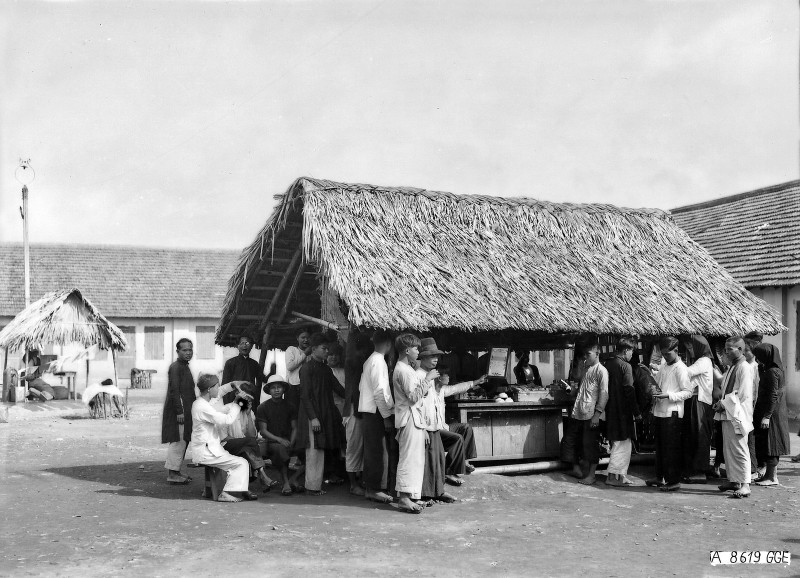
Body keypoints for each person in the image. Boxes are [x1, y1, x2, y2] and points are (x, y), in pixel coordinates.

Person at [189, 373, 257, 503]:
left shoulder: (203, 402)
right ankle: (226, 493)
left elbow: (219, 393)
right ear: (209, 389)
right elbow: (228, 420)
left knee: (241, 462)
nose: (218, 389)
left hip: (210, 449)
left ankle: (227, 491)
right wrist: (237, 402)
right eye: (216, 386)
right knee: (241, 463)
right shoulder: (202, 406)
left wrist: (232, 385)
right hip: (206, 452)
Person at [295, 333, 347, 496]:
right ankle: (312, 487)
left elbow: (338, 388)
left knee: (319, 449)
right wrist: (313, 417)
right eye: (324, 349)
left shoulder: (325, 369)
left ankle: (314, 485)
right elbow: (305, 395)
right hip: (312, 416)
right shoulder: (306, 368)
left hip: (324, 413)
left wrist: (355, 395)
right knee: (313, 450)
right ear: (314, 349)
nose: (327, 352)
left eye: (327, 349)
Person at [646, 336, 693, 492]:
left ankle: (673, 481)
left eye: (668, 354)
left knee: (671, 449)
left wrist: (669, 396)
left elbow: (688, 392)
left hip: (672, 412)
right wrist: (648, 374)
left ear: (676, 351)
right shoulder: (665, 366)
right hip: (660, 411)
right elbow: (658, 383)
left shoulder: (681, 368)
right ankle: (660, 476)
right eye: (664, 354)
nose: (666, 357)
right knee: (659, 447)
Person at [393, 332, 432, 514]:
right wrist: (427, 379)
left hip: (413, 418)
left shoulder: (406, 369)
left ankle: (410, 496)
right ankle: (403, 498)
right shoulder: (403, 370)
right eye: (416, 348)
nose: (418, 351)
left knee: (415, 459)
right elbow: (414, 397)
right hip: (408, 417)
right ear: (407, 350)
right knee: (408, 458)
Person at [560, 343, 608, 486]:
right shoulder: (586, 369)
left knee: (590, 445)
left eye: (589, 354)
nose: (586, 357)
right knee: (570, 441)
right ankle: (576, 469)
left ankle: (591, 476)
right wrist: (570, 390)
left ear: (597, 354)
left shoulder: (602, 371)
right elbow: (581, 391)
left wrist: (597, 414)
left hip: (590, 414)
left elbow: (604, 394)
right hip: (578, 412)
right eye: (585, 354)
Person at [216, 381, 276, 493]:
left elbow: (252, 435)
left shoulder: (249, 412)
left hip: (244, 446)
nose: (247, 401)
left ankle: (245, 489)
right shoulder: (226, 410)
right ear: (237, 395)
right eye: (245, 398)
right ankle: (262, 475)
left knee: (247, 449)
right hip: (225, 446)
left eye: (250, 400)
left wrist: (248, 415)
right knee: (248, 444)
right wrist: (244, 441)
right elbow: (223, 438)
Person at [713, 336, 754, 499]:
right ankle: (734, 480)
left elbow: (742, 394)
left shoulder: (744, 367)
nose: (726, 352)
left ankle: (745, 484)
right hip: (729, 413)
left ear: (740, 350)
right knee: (728, 449)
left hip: (738, 414)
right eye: (726, 348)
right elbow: (725, 389)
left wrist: (723, 403)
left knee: (739, 450)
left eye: (730, 349)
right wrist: (721, 403)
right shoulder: (732, 367)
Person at [358, 329, 396, 504]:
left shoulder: (370, 361)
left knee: (376, 450)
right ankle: (373, 489)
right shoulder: (378, 361)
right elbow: (380, 392)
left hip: (370, 412)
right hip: (375, 413)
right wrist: (387, 416)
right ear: (388, 343)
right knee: (377, 451)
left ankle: (375, 487)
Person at [416, 338, 456, 504]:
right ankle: (426, 494)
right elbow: (417, 403)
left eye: (436, 356)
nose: (435, 359)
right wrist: (423, 428)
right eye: (431, 356)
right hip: (424, 425)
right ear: (423, 358)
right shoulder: (419, 375)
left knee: (438, 458)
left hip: (434, 424)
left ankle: (438, 491)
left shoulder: (432, 376)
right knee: (427, 460)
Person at [434, 369, 486, 485]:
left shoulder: (442, 390)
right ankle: (450, 471)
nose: (449, 378)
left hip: (444, 427)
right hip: (435, 430)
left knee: (466, 428)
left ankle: (464, 461)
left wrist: (476, 381)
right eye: (446, 376)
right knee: (457, 438)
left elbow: (457, 387)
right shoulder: (429, 393)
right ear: (439, 378)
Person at [256, 375, 304, 496]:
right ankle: (286, 482)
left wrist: (291, 442)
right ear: (269, 390)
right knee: (280, 449)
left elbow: (295, 427)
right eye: (273, 388)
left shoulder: (291, 406)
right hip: (272, 442)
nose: (276, 390)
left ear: (283, 389)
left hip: (289, 440)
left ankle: (294, 478)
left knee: (308, 451)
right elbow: (263, 431)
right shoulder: (263, 407)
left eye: (279, 387)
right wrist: (280, 440)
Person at [752, 343, 790, 486]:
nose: (757, 359)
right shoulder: (773, 369)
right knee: (767, 443)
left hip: (772, 414)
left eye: (759, 356)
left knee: (772, 444)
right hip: (771, 411)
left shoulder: (772, 371)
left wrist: (767, 416)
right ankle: (769, 476)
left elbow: (773, 394)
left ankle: (772, 477)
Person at [603, 337, 639, 487]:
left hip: (610, 409)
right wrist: (636, 411)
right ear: (626, 351)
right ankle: (612, 477)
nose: (632, 355)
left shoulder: (608, 364)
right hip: (623, 411)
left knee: (618, 442)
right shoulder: (626, 367)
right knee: (622, 443)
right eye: (631, 351)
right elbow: (629, 391)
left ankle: (621, 475)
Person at [161, 338, 196, 484]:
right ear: (178, 351)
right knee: (178, 441)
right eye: (185, 350)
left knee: (184, 440)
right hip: (178, 411)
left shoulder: (184, 366)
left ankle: (177, 471)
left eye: (190, 349)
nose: (188, 353)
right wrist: (179, 411)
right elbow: (175, 390)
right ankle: (172, 474)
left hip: (186, 410)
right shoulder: (175, 367)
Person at [682, 335, 715, 483]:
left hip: (699, 402)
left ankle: (700, 471)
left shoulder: (703, 361)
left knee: (699, 435)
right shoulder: (704, 361)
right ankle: (696, 468)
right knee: (695, 435)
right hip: (698, 402)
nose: (690, 349)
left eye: (692, 346)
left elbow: (686, 373)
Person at [221, 333, 264, 406]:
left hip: (250, 398)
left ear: (251, 346)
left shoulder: (254, 364)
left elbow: (262, 378)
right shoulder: (230, 363)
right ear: (237, 346)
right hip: (234, 397)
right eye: (242, 343)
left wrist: (271, 372)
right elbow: (225, 384)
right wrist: (227, 403)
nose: (244, 345)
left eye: (247, 343)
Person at [285, 330, 311, 411]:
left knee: (305, 413)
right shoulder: (291, 349)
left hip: (307, 387)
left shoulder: (312, 353)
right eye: (303, 337)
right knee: (293, 413)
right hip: (293, 387)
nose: (306, 340)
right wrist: (304, 354)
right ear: (297, 338)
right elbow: (290, 366)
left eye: (308, 338)